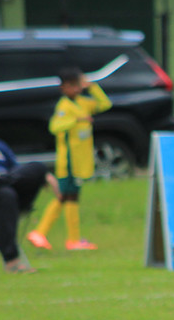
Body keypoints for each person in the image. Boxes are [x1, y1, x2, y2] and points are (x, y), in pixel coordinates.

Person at [27, 67, 111, 251]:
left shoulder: (83, 102)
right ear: (64, 88)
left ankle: (73, 240)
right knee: (63, 196)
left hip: (81, 162)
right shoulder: (64, 107)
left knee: (72, 197)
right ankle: (39, 232)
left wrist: (93, 88)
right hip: (68, 163)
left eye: (78, 85)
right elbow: (55, 127)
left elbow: (104, 104)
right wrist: (78, 120)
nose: (76, 89)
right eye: (72, 86)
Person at [0, 102, 60, 272]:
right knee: (4, 194)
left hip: (12, 193)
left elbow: (19, 171)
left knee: (37, 167)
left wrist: (44, 175)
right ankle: (12, 262)